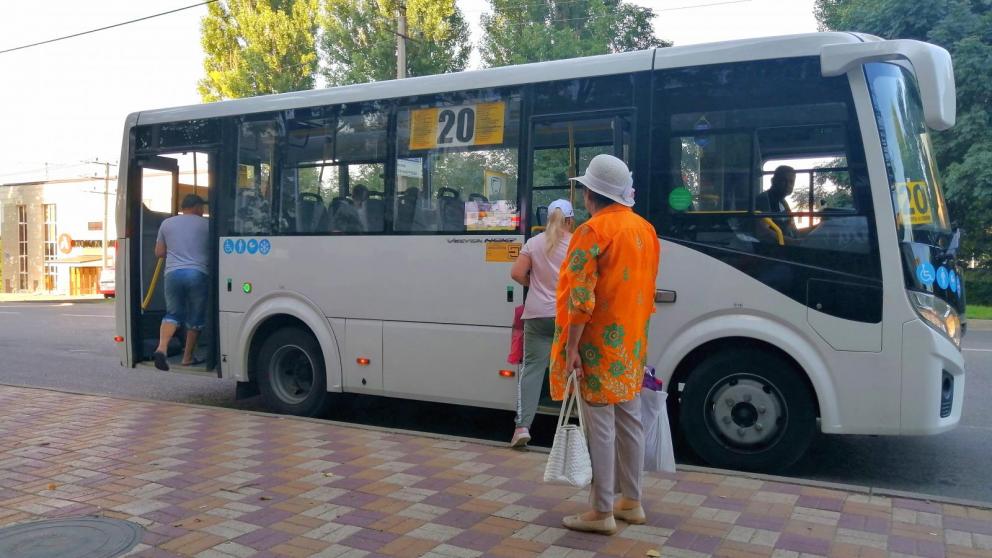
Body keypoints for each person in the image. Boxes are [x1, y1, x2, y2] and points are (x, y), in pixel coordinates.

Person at [550, 154, 660, 535]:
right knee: (630, 421)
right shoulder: (645, 229)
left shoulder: (592, 231)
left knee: (600, 427)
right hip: (631, 344)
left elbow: (580, 299)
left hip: (597, 344)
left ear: (589, 194)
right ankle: (632, 501)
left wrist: (571, 348)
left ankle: (601, 511)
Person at [508, 199, 575, 448]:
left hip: (537, 315)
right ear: (570, 221)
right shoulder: (576, 244)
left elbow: (516, 273)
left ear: (547, 219)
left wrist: (533, 284)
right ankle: (581, 426)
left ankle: (522, 427)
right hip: (567, 317)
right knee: (574, 368)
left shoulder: (534, 242)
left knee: (533, 370)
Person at [152, 194, 210, 371]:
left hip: (172, 274)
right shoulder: (207, 224)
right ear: (197, 207)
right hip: (197, 273)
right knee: (195, 318)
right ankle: (187, 358)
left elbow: (159, 252)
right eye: (202, 207)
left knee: (173, 314)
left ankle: (162, 348)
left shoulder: (167, 223)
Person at [755, 165, 799, 239]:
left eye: (791, 182)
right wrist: (793, 242)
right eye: (783, 181)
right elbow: (764, 232)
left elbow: (793, 230)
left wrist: (816, 229)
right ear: (773, 181)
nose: (788, 185)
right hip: (774, 245)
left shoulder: (783, 202)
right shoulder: (763, 200)